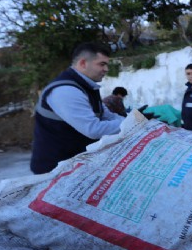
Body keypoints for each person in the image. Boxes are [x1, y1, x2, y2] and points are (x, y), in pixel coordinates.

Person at [30, 42, 123, 174]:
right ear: (83, 63)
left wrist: (135, 119)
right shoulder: (66, 91)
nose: (106, 69)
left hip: (75, 165)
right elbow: (93, 129)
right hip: (54, 171)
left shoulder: (87, 87)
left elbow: (107, 115)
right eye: (102, 64)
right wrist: (132, 123)